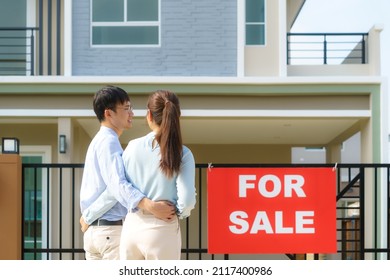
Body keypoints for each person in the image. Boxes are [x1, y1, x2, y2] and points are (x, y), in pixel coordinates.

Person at [79, 85, 175, 260]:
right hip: (110, 232)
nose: (132, 113)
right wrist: (150, 206)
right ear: (109, 113)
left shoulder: (98, 141)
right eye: (126, 108)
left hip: (96, 233)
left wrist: (89, 215)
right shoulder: (109, 142)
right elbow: (117, 186)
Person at [119, 89, 197, 260]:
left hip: (132, 227)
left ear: (149, 115)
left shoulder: (131, 147)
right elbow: (188, 198)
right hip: (162, 229)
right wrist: (179, 212)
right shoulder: (183, 153)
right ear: (178, 116)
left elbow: (120, 186)